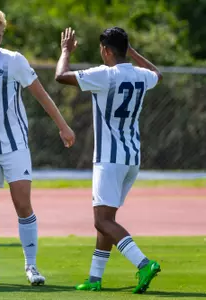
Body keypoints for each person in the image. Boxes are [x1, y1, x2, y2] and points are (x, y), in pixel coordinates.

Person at [0, 9, 76, 286]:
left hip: (14, 145)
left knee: (23, 204)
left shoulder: (13, 60)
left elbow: (41, 94)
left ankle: (32, 267)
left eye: (0, 35)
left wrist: (63, 125)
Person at [55, 27, 162, 294]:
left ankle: (143, 263)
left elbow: (60, 76)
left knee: (101, 221)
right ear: (126, 49)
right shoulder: (141, 75)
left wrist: (66, 51)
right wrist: (132, 53)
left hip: (109, 159)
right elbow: (157, 74)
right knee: (108, 219)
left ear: (106, 50)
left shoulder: (104, 75)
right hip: (132, 158)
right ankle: (94, 278)